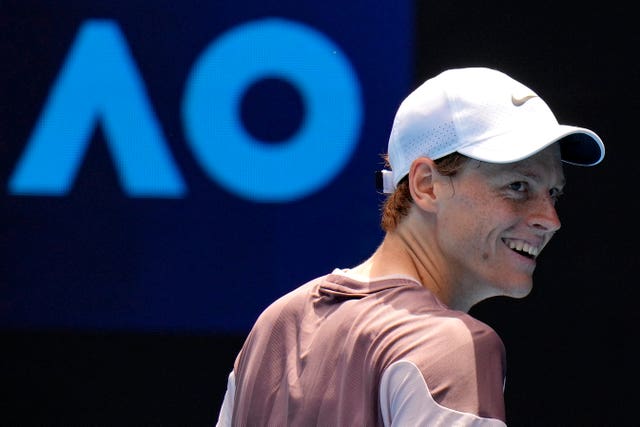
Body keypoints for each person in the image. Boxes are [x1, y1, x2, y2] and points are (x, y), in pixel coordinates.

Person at [215, 67, 605, 426]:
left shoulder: (276, 325)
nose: (550, 220)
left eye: (553, 193)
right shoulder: (453, 347)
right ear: (426, 185)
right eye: (518, 186)